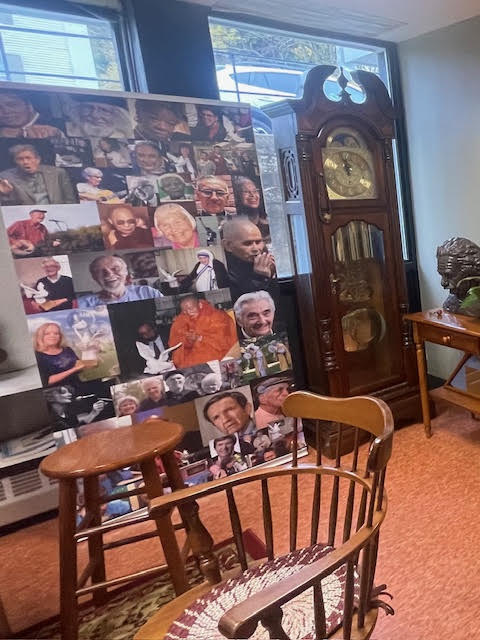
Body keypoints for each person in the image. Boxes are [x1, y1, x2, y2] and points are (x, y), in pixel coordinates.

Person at [169, 294, 238, 368]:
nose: (189, 313)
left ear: (200, 305)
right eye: (185, 311)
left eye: (191, 309)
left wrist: (200, 338)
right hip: (192, 356)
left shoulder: (218, 316)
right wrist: (189, 341)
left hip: (215, 354)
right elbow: (176, 344)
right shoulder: (182, 320)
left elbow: (224, 342)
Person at [221, 217, 277, 302]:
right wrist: (260, 278)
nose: (255, 249)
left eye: (258, 242)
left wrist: (272, 275)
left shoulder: (265, 259)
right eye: (247, 243)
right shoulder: (222, 272)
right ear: (228, 245)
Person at [0, 143, 76, 205]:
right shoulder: (6, 177)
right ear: (15, 161)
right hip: (25, 215)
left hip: (57, 213)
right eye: (20, 159)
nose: (25, 162)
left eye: (28, 158)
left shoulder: (58, 173)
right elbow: (5, 208)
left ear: (38, 159)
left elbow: (70, 200)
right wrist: (5, 194)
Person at [78, 255, 162, 308]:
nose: (109, 274)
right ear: (94, 277)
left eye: (116, 268)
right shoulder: (82, 304)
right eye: (100, 271)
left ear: (126, 271)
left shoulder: (148, 292)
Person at [34, 321, 85, 387]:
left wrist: (87, 363)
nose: (52, 336)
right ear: (40, 336)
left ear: (60, 336)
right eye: (47, 334)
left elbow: (79, 367)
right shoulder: (37, 356)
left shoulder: (67, 349)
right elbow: (46, 381)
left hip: (77, 385)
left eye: (56, 333)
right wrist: (74, 369)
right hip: (57, 390)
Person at [0, 90, 65, 139]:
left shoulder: (58, 126)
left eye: (12, 105)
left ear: (29, 106)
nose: (6, 111)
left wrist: (58, 135)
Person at [65, 96, 134, 138]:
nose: (94, 115)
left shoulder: (123, 136)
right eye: (88, 108)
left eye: (104, 110)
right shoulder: (67, 131)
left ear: (117, 115)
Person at [233, 176, 270, 240]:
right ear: (237, 196)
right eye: (246, 192)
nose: (252, 195)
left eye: (255, 191)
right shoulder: (234, 227)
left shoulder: (268, 224)